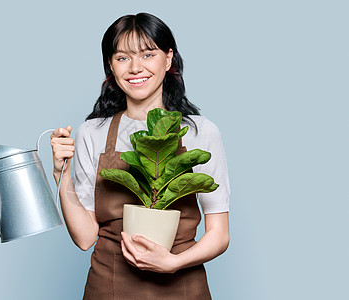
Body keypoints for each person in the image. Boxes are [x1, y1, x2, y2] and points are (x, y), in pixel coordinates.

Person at [50, 12, 230, 299]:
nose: (135, 68)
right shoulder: (91, 132)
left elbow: (220, 234)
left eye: (147, 55)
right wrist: (61, 174)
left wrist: (174, 263)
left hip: (182, 286)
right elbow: (85, 238)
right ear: (110, 65)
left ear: (168, 59)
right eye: (122, 58)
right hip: (109, 286)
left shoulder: (201, 132)